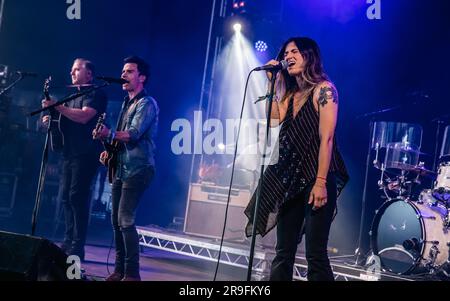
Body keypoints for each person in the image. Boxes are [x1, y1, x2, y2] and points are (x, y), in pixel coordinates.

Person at [244, 37, 349, 281]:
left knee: (315, 254)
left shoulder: (324, 90)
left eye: (295, 51)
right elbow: (273, 121)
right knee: (283, 252)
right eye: (286, 52)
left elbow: (328, 139)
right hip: (291, 181)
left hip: (317, 178)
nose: (288, 56)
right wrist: (271, 84)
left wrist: (321, 182)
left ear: (309, 56)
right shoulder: (290, 95)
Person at [93, 56, 158, 281]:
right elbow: (121, 140)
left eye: (129, 71)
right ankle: (120, 270)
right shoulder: (126, 103)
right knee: (115, 221)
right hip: (121, 168)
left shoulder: (146, 103)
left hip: (139, 169)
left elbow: (133, 134)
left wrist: (108, 134)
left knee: (125, 220)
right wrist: (109, 150)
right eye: (123, 71)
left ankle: (132, 274)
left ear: (142, 77)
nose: (123, 75)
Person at [42, 58, 107, 260]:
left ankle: (78, 246)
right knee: (66, 198)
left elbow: (84, 117)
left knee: (77, 197)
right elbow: (64, 122)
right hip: (69, 154)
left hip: (86, 154)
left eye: (77, 69)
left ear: (89, 74)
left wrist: (58, 107)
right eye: (71, 69)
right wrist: (49, 119)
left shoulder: (95, 93)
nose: (72, 72)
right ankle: (68, 241)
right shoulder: (72, 96)